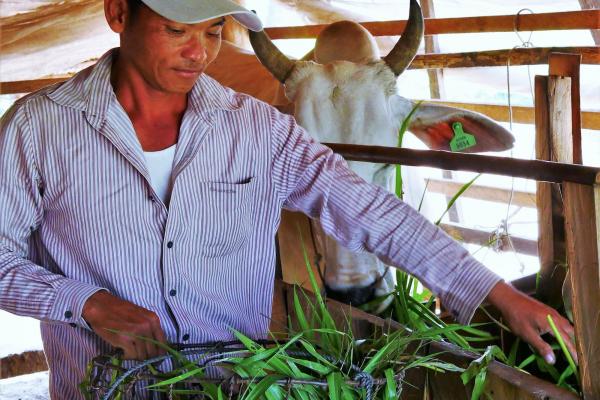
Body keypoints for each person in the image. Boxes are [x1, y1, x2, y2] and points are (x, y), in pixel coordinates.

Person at [0, 0, 577, 398]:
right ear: (118, 12)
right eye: (178, 29)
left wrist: (496, 293)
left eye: (213, 30)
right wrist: (88, 303)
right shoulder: (37, 130)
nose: (198, 52)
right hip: (101, 388)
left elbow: (369, 209)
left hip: (238, 386)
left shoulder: (258, 129)